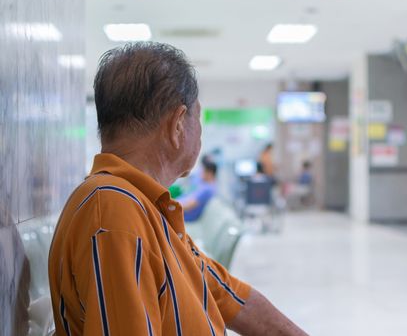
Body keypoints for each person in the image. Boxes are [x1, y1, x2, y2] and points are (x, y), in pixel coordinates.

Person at [48, 42, 307, 336]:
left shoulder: (147, 206)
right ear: (178, 126)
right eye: (197, 118)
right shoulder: (113, 213)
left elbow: (229, 295)